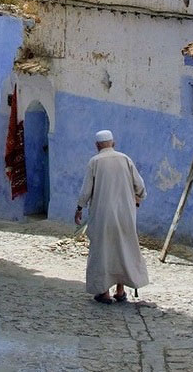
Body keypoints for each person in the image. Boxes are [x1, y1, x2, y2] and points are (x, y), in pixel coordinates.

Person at [74, 130, 149, 304]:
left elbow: (86, 190)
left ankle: (104, 292)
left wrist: (79, 207)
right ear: (113, 143)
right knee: (123, 249)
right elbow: (140, 186)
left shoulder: (95, 162)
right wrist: (137, 199)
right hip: (125, 215)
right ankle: (121, 290)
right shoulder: (125, 159)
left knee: (103, 251)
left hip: (103, 216)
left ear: (97, 146)